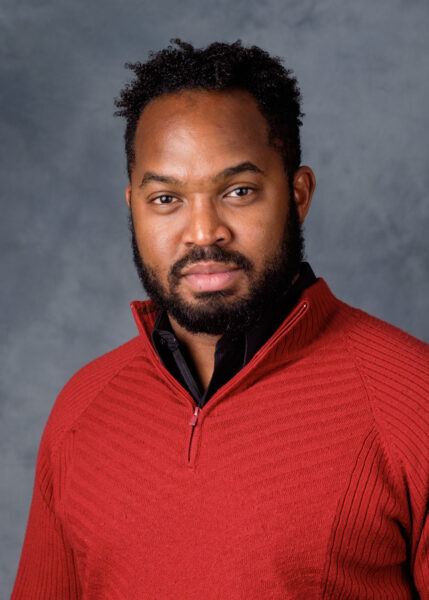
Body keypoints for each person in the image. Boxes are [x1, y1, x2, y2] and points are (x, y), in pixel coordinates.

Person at [12, 40, 428, 599]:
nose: (204, 232)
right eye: (166, 199)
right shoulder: (80, 410)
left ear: (298, 195)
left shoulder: (413, 398)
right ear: (131, 205)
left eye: (238, 191)